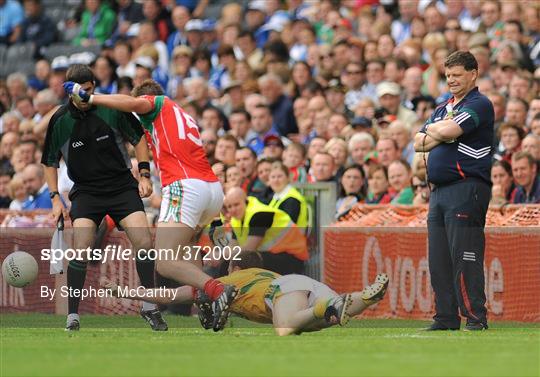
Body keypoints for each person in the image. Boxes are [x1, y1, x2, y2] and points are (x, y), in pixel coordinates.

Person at [63, 77, 238, 331]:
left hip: (184, 186)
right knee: (187, 255)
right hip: (211, 191)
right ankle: (204, 296)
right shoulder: (182, 117)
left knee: (165, 262)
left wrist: (91, 98)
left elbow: (132, 103)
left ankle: (217, 289)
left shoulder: (157, 103)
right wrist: (217, 220)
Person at [42, 65, 164, 332]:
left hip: (121, 186)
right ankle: (72, 315)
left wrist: (144, 174)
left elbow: (139, 139)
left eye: (89, 90)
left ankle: (149, 306)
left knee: (144, 240)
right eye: (79, 92)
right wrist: (54, 198)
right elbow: (49, 162)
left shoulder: (111, 109)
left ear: (94, 87)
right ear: (69, 92)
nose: (84, 96)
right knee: (83, 246)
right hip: (86, 191)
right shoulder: (60, 120)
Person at [103, 252, 390, 336]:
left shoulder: (230, 279)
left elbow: (172, 296)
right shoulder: (260, 274)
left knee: (285, 327)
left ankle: (327, 307)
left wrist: (127, 291)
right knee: (325, 319)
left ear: (236, 266)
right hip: (306, 286)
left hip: (284, 292)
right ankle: (361, 297)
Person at [413, 51, 493, 331]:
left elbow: (446, 134)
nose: (451, 80)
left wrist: (437, 132)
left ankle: (475, 317)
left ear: (473, 74)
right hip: (439, 192)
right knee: (439, 260)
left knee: (465, 256)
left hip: (466, 187)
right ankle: (446, 317)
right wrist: (441, 130)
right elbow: (417, 143)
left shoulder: (480, 104)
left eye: (457, 74)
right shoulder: (442, 108)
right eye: (448, 75)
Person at [223, 187, 308, 275]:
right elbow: (233, 244)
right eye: (229, 206)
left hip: (293, 257)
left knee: (248, 261)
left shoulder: (260, 214)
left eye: (236, 204)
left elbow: (248, 249)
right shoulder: (236, 219)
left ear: (246, 201)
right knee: (227, 263)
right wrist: (221, 255)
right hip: (273, 255)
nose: (233, 209)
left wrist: (225, 256)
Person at [268, 161, 309, 229]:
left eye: (280, 176)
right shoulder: (276, 197)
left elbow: (287, 228)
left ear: (288, 178)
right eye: (273, 177)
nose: (276, 180)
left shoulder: (292, 199)